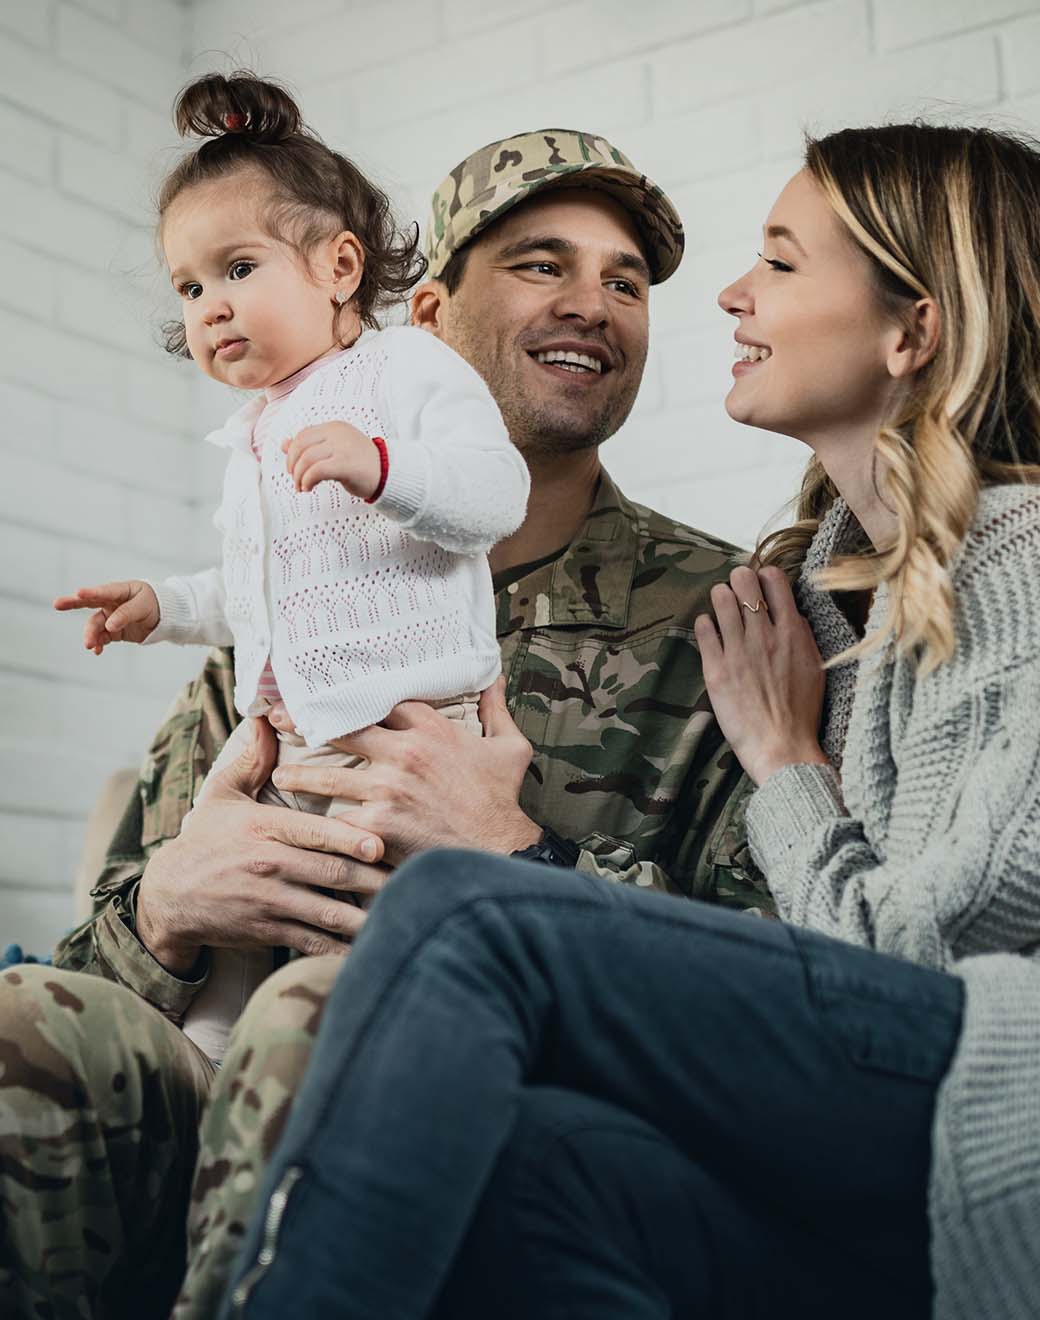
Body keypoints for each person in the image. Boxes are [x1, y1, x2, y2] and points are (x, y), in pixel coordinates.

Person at [221, 123, 1040, 1320]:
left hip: (993, 1102)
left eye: (780, 259)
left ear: (909, 330)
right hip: (858, 1152)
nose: (724, 290)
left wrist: (783, 764)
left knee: (470, 915)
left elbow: (903, 968)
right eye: (543, 265)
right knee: (526, 1160)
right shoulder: (809, 590)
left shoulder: (1014, 566)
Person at [0, 121, 754, 1319]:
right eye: (539, 264)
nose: (595, 305)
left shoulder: (720, 613)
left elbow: (776, 1005)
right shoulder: (286, 608)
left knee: (322, 1019)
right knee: (21, 1017)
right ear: (429, 316)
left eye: (624, 282)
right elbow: (104, 965)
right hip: (214, 1092)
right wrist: (170, 906)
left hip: (515, 1118)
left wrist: (519, 861)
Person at [53, 71, 530, 1065]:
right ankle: (212, 1069)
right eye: (188, 287)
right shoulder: (259, 430)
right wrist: (163, 604)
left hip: (407, 739)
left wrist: (383, 469)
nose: (209, 307)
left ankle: (346, 1062)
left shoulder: (405, 373)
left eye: (236, 268)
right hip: (286, 742)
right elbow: (256, 589)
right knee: (238, 937)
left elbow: (495, 499)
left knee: (363, 935)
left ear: (339, 266)